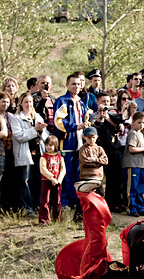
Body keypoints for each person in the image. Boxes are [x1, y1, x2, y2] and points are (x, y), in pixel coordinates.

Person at [53, 73, 90, 208]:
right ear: (67, 85)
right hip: (66, 144)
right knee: (65, 175)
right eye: (73, 84)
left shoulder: (81, 102)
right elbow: (59, 122)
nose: (76, 86)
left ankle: (75, 202)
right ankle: (64, 203)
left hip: (79, 144)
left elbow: (85, 120)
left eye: (79, 84)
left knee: (77, 174)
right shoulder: (62, 101)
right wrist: (75, 127)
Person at [11, 92, 46, 217]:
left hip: (38, 153)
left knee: (38, 180)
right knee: (25, 181)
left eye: (30, 102)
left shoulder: (38, 117)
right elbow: (19, 136)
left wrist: (41, 131)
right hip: (25, 153)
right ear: (20, 103)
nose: (28, 104)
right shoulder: (16, 118)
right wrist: (35, 130)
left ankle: (37, 206)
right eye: (26, 102)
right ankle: (27, 208)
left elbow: (45, 135)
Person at [122, 112, 144, 217]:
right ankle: (131, 208)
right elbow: (131, 149)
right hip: (131, 164)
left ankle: (139, 207)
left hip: (140, 164)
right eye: (139, 122)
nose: (141, 125)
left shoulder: (140, 134)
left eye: (143, 122)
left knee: (140, 188)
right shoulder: (133, 133)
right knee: (132, 187)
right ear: (133, 122)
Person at [39, 135, 65, 224]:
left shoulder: (60, 157)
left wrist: (59, 180)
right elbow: (43, 169)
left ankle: (57, 219)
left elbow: (63, 169)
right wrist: (51, 178)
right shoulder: (43, 157)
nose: (48, 147)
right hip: (47, 181)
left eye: (51, 145)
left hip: (57, 182)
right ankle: (44, 219)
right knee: (45, 200)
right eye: (47, 145)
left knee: (57, 200)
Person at [78, 126, 108, 195]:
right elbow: (84, 162)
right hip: (86, 178)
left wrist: (94, 160)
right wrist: (98, 163)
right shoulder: (82, 149)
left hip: (98, 178)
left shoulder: (100, 149)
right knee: (87, 197)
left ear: (97, 137)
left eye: (93, 137)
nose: (91, 139)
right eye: (89, 137)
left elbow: (105, 161)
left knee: (100, 196)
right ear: (84, 137)